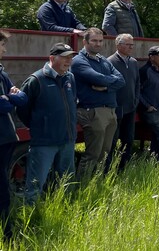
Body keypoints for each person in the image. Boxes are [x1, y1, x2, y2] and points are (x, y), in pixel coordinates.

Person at [18, 42, 77, 205]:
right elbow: (22, 109)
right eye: (65, 57)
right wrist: (40, 126)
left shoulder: (70, 77)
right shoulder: (36, 79)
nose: (69, 61)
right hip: (44, 142)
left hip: (67, 140)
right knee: (36, 184)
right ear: (52, 58)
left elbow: (72, 102)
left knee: (67, 181)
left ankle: (67, 210)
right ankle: (30, 217)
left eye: (71, 57)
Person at [70, 28, 125, 179]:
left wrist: (106, 86)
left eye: (100, 41)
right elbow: (97, 79)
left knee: (105, 152)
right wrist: (108, 82)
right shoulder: (78, 61)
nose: (98, 44)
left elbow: (121, 80)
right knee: (93, 153)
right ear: (85, 42)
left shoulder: (103, 60)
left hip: (110, 111)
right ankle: (83, 187)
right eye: (94, 41)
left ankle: (97, 183)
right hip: (92, 111)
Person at [0, 31, 27, 237]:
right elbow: (4, 104)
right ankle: (6, 233)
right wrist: (9, 98)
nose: (5, 49)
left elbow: (22, 99)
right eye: (2, 45)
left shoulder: (2, 72)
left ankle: (7, 228)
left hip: (7, 138)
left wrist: (9, 97)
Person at [106, 34, 140, 172]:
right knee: (112, 141)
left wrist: (135, 100)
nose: (131, 47)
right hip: (116, 108)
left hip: (130, 107)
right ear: (118, 45)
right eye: (128, 44)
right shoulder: (110, 62)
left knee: (128, 139)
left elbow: (137, 83)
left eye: (132, 45)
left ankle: (123, 167)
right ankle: (108, 169)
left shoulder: (133, 62)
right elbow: (107, 85)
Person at [138, 46, 159, 163]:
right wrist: (147, 105)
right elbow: (137, 91)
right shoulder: (144, 71)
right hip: (150, 111)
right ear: (151, 57)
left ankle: (155, 159)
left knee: (156, 137)